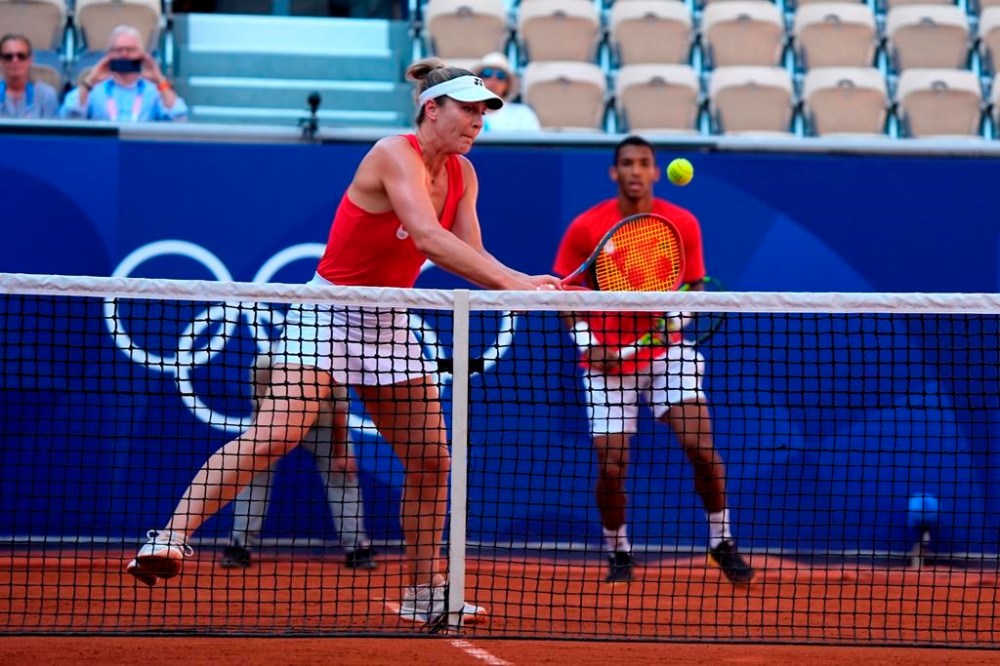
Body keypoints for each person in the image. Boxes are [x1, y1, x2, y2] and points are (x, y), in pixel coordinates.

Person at [126, 57, 563, 627]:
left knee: (432, 460)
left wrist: (526, 283)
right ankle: (170, 538)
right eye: (468, 108)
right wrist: (516, 284)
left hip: (390, 321)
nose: (478, 120)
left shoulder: (464, 175)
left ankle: (425, 591)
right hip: (329, 312)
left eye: (484, 111)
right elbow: (429, 239)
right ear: (433, 108)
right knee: (275, 433)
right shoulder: (392, 153)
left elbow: (471, 255)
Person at [553, 135, 754, 585]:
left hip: (667, 353)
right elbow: (564, 296)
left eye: (644, 163)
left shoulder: (682, 222)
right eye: (627, 163)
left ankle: (721, 541)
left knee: (701, 450)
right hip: (605, 363)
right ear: (614, 172)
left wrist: (673, 322)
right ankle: (619, 550)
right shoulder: (587, 227)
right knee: (611, 466)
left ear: (656, 172)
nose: (636, 171)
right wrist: (589, 342)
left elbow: (696, 288)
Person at [219, 357, 377, 571]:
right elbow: (261, 410)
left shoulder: (331, 360)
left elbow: (339, 410)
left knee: (343, 477)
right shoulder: (264, 364)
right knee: (252, 476)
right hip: (276, 426)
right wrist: (257, 448)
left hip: (324, 427)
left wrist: (341, 453)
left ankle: (357, 547)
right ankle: (239, 545)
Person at [60, 25, 187, 122]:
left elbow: (179, 118)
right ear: (108, 55)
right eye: (118, 50)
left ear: (143, 55)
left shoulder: (155, 90)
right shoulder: (93, 90)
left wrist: (159, 79)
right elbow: (69, 116)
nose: (124, 54)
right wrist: (89, 82)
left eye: (131, 50)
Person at [474, 52, 541, 133]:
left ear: (507, 84)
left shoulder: (523, 115)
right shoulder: (466, 113)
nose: (493, 80)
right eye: (487, 73)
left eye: (500, 76)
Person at [0, 35, 59, 120]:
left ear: (30, 59)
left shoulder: (46, 95)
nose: (15, 61)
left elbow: (52, 132)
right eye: (8, 57)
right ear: (1, 61)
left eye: (21, 56)